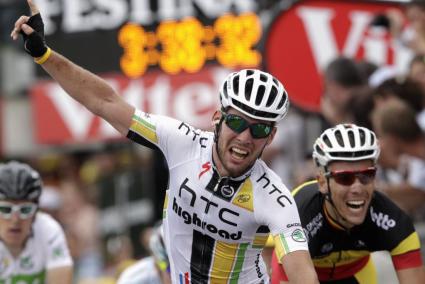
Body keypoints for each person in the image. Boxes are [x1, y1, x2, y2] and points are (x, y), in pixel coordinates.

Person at [10, 1, 318, 283]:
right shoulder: (181, 141)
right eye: (237, 122)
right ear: (216, 118)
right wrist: (44, 55)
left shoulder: (274, 195)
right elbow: (104, 101)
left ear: (272, 136)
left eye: (259, 130)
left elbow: (300, 267)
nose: (244, 138)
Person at [270, 123, 425, 283]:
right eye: (345, 178)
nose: (357, 188)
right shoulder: (297, 216)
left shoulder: (394, 221)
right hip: (303, 270)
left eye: (366, 175)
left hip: (355, 272)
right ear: (322, 182)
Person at [0, 161, 73, 283]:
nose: (15, 220)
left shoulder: (48, 230)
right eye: (5, 209)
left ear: (35, 213)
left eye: (25, 210)